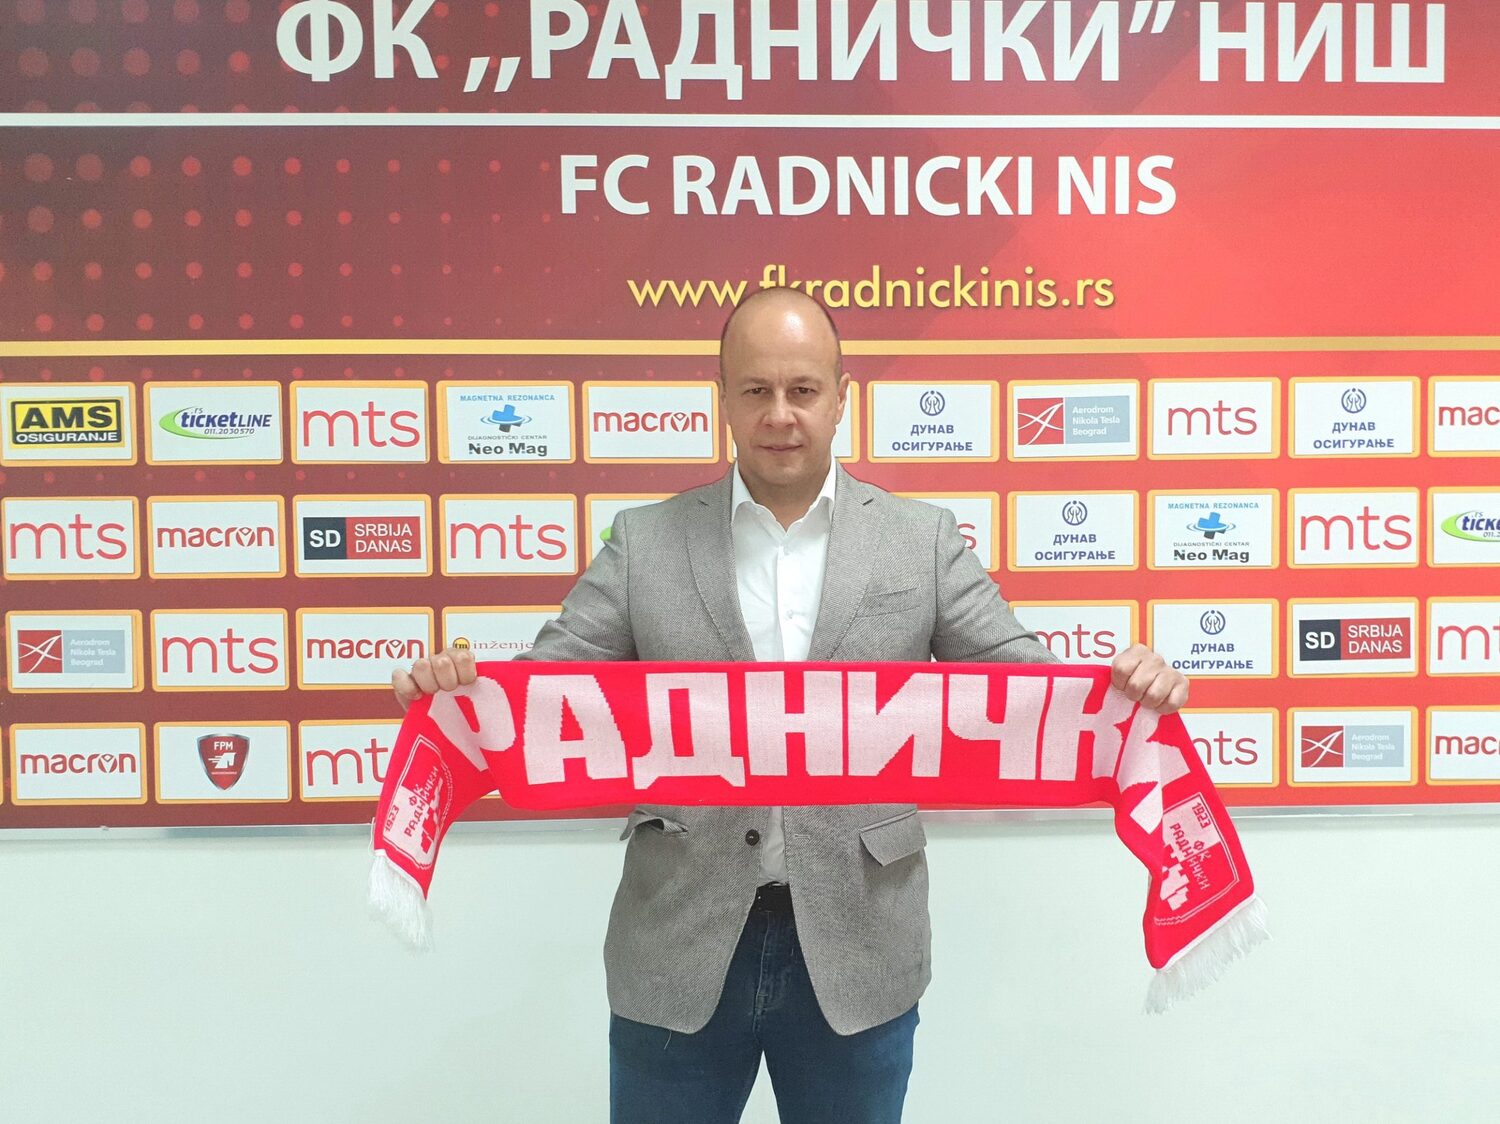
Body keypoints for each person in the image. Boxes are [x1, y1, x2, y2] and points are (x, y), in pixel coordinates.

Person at [393, 288, 1188, 1123]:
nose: (780, 414)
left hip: (859, 949)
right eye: (756, 390)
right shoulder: (644, 543)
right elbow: (539, 695)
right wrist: (455, 698)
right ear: (723, 398)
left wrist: (1127, 692)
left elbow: (1030, 692)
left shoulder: (920, 540)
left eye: (803, 390)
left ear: (841, 397)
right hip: (678, 945)